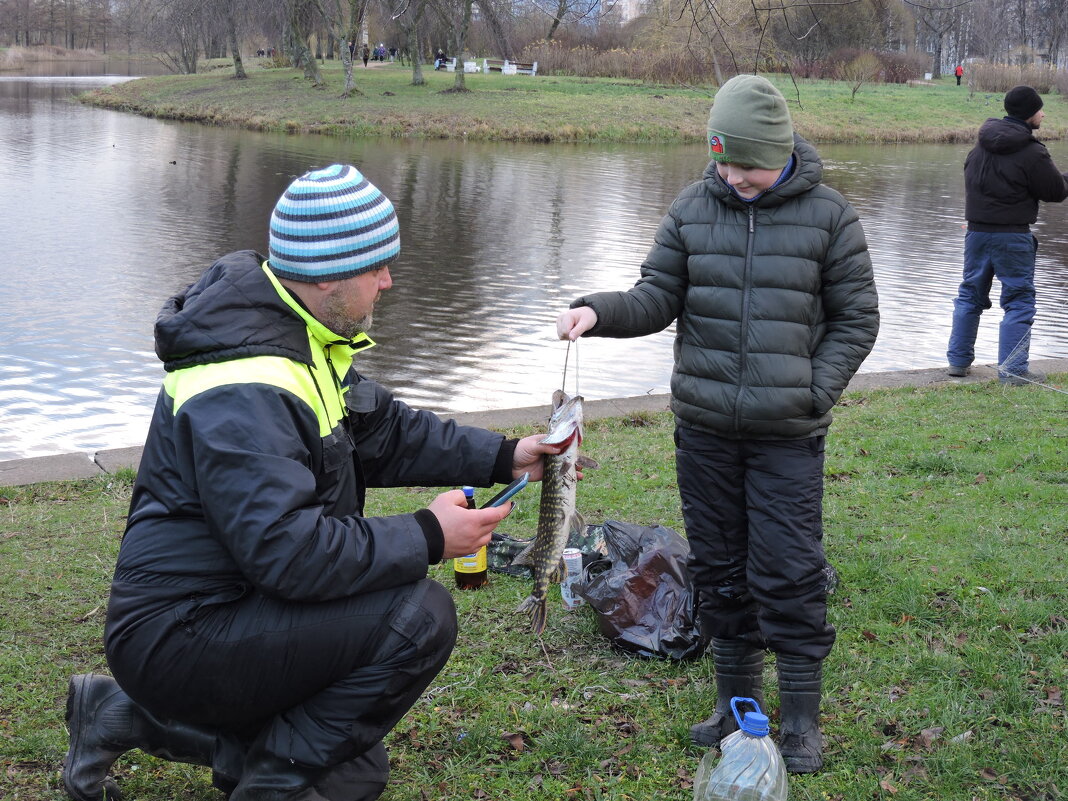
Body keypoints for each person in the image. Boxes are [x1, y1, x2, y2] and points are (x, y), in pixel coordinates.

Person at [62, 164, 567, 801]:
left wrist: (506, 456)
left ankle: (115, 715)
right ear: (328, 273)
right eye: (377, 266)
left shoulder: (298, 333)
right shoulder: (245, 380)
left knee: (353, 771)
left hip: (234, 604)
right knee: (417, 616)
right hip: (179, 631)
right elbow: (289, 552)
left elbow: (386, 434)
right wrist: (430, 536)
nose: (388, 280)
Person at [556, 74, 879, 774]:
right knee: (722, 570)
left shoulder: (830, 217)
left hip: (788, 434)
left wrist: (812, 390)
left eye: (747, 164)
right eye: (723, 161)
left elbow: (858, 320)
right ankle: (736, 709)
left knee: (788, 570)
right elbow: (655, 295)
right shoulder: (692, 208)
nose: (733, 176)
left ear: (782, 149)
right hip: (704, 430)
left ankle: (799, 721)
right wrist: (597, 311)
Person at [946, 85, 1068, 385]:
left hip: (975, 234)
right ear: (1029, 114)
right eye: (1040, 109)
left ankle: (958, 363)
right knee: (1019, 300)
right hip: (1012, 237)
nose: (1044, 113)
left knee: (969, 295)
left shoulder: (979, 148)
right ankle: (1013, 371)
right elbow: (1055, 191)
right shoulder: (1032, 152)